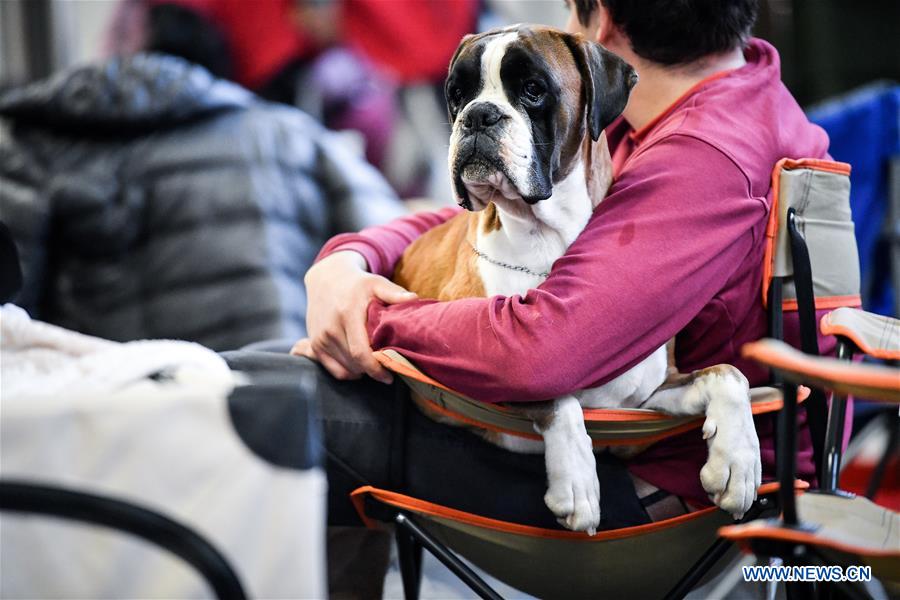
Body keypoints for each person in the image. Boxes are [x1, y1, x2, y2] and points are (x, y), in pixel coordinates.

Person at [270, 0, 831, 593]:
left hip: (655, 500)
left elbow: (539, 354)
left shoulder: (702, 158)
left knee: (281, 400)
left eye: (568, 9)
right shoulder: (722, 103)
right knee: (280, 370)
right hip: (651, 449)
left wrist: (373, 316)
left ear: (602, 20)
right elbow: (467, 227)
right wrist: (351, 260)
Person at [0, 53, 405, 351]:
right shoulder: (289, 133)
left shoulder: (25, 149)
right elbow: (398, 258)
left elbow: (9, 321)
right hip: (285, 395)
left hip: (117, 419)